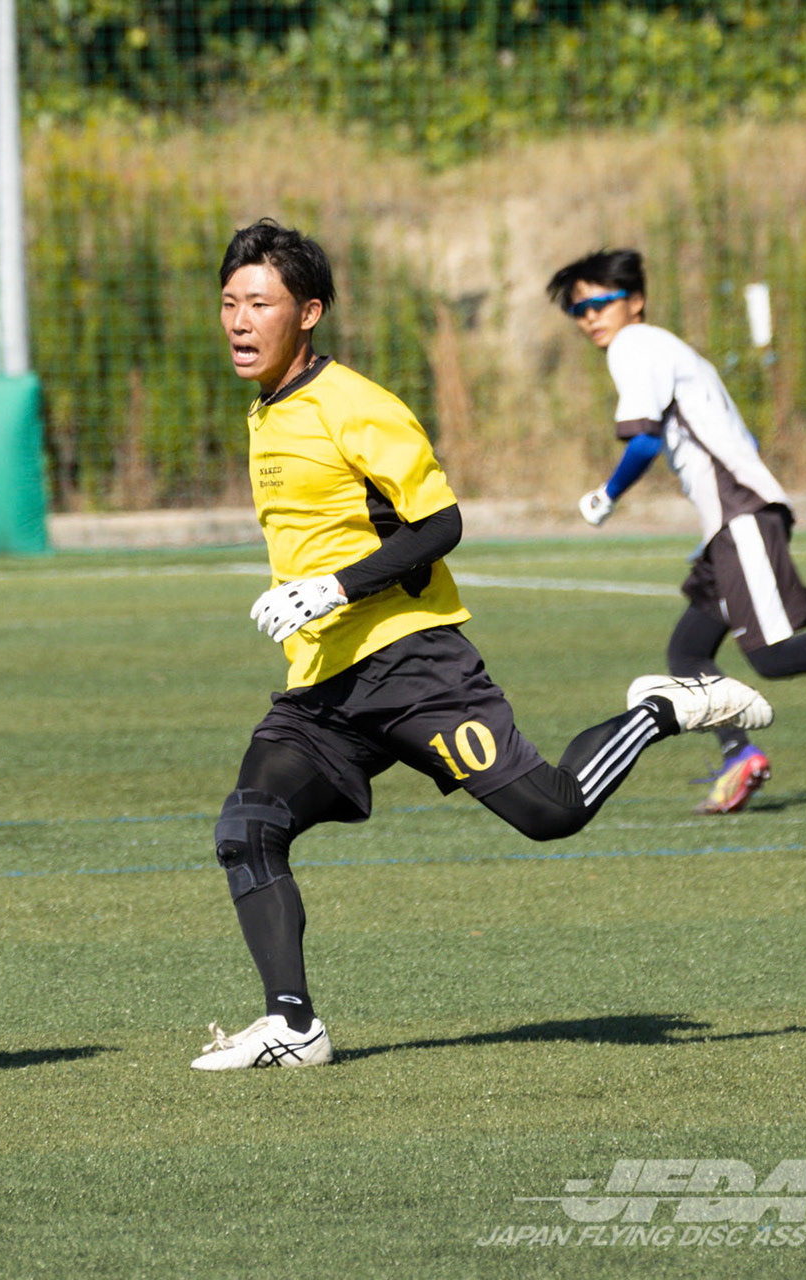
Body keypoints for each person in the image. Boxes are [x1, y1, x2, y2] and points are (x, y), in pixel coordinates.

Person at [192, 220, 773, 1073]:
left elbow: (441, 524)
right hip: (325, 685)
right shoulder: (268, 408)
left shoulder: (355, 405)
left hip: (413, 667)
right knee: (248, 827)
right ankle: (294, 1027)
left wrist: (332, 587)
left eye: (260, 304)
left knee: (551, 812)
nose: (241, 322)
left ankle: (661, 709)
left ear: (308, 312)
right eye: (229, 304)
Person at [546, 249, 806, 813]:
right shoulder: (670, 348)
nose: (591, 316)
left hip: (739, 514)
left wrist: (608, 494)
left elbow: (643, 440)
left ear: (636, 301)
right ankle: (739, 754)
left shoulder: (634, 345)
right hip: (732, 518)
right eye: (579, 310)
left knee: (772, 656)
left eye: (601, 302)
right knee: (688, 651)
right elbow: (744, 439)